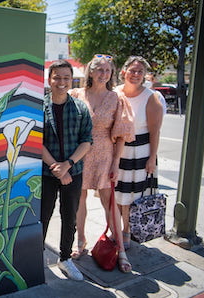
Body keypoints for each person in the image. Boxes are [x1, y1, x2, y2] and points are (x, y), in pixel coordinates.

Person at [69, 54, 135, 273]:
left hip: (105, 153)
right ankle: (80, 242)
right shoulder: (77, 94)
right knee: (79, 198)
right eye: (99, 70)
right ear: (90, 71)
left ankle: (120, 249)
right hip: (80, 152)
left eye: (107, 70)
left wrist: (116, 163)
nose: (103, 74)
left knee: (109, 201)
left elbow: (122, 134)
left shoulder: (117, 98)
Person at [41, 59, 93, 281]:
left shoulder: (81, 108)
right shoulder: (39, 107)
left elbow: (87, 141)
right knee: (42, 216)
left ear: (71, 80)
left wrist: (68, 165)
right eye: (57, 77)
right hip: (46, 172)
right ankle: (37, 255)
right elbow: (36, 141)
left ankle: (65, 258)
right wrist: (56, 167)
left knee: (69, 216)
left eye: (66, 77)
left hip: (74, 171)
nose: (61, 82)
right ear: (50, 80)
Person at [115, 56, 163, 249]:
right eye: (132, 70)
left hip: (141, 152)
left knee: (133, 196)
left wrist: (152, 158)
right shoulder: (115, 93)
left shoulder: (151, 97)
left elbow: (155, 131)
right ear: (124, 71)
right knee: (117, 194)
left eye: (140, 72)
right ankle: (117, 228)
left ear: (144, 75)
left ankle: (126, 230)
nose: (135, 74)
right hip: (118, 151)